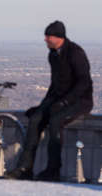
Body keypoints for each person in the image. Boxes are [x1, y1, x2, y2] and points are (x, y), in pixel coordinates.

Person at [7, 21, 93, 181]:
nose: (45, 40)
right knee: (35, 120)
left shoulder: (75, 52)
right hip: (59, 99)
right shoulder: (53, 54)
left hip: (80, 101)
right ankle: (24, 168)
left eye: (48, 36)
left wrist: (65, 102)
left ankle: (53, 170)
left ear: (58, 37)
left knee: (55, 122)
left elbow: (84, 82)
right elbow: (55, 85)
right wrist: (42, 107)